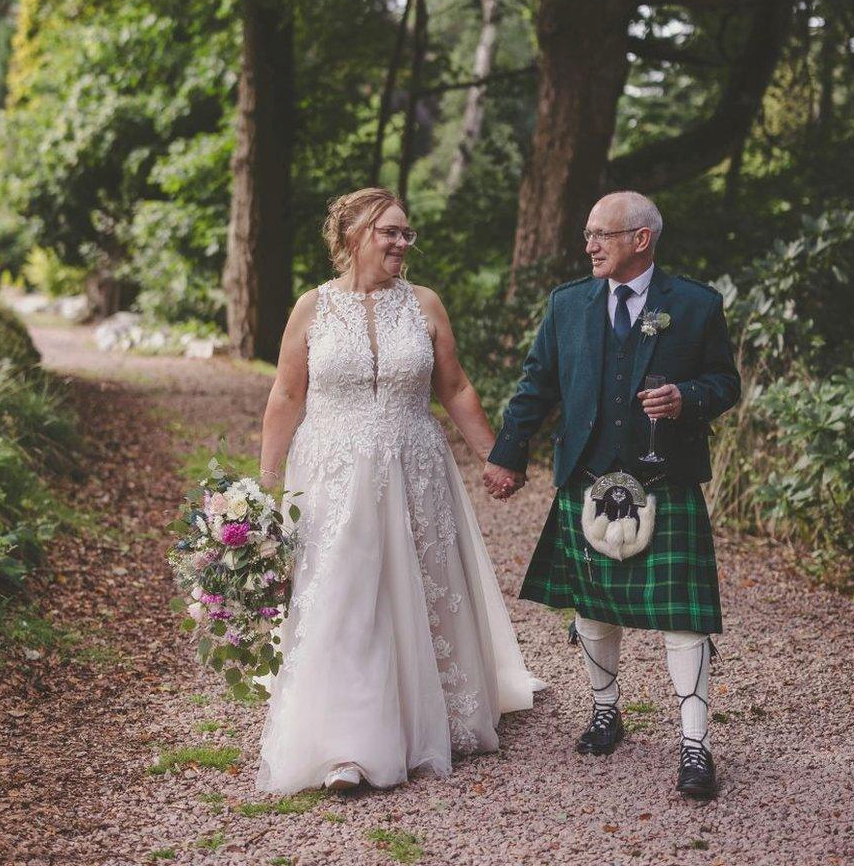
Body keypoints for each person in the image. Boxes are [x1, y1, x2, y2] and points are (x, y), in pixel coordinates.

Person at [255, 187, 544, 794]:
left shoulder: (424, 304)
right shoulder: (312, 308)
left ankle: (430, 713)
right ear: (353, 234)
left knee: (420, 591)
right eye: (390, 231)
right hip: (333, 476)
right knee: (346, 596)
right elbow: (286, 396)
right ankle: (346, 746)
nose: (402, 243)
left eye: (406, 233)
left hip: (416, 468)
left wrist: (498, 457)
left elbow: (456, 387)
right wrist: (267, 485)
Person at [483, 191, 740, 800]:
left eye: (602, 234)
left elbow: (724, 382)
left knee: (685, 614)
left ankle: (695, 742)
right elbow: (536, 384)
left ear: (641, 239)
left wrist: (688, 398)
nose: (589, 244)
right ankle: (605, 709)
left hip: (665, 477)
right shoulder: (568, 304)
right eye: (588, 233)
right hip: (588, 477)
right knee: (593, 605)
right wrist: (508, 453)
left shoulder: (697, 304)